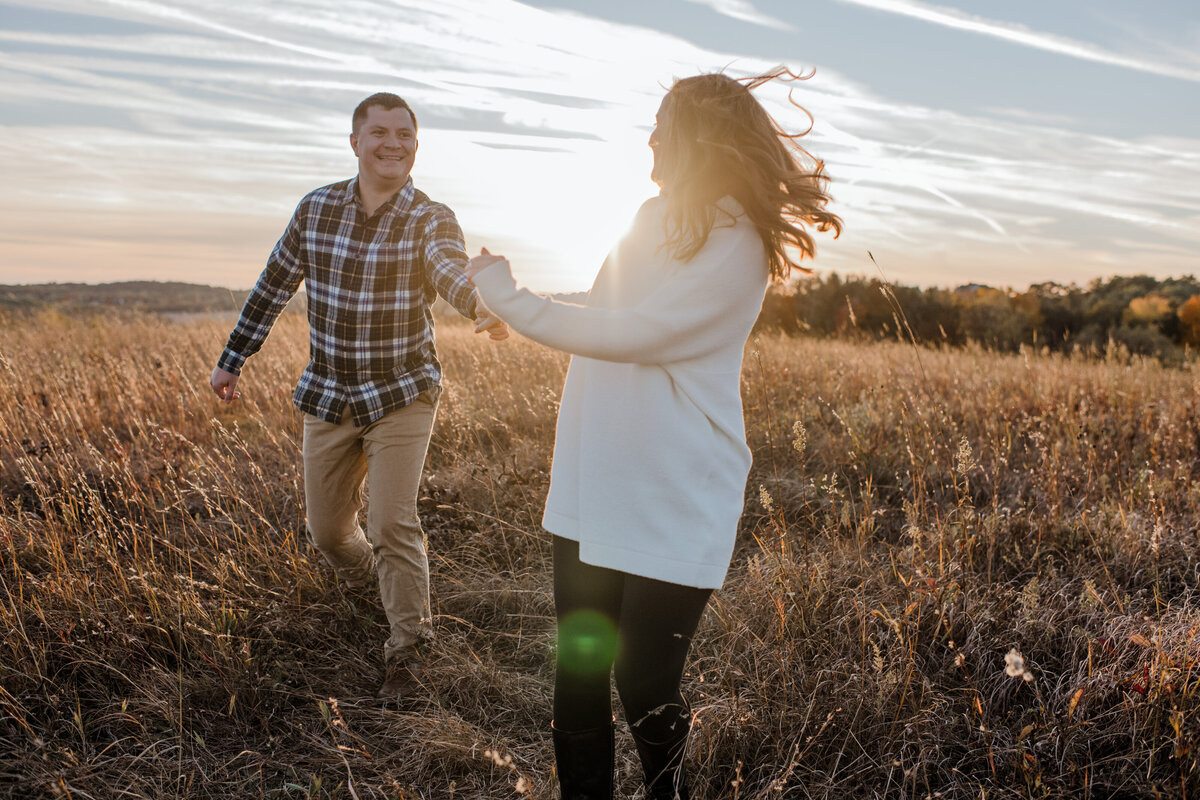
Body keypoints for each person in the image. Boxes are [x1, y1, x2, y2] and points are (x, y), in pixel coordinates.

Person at [465, 69, 842, 799]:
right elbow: (607, 307)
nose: (650, 140)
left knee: (642, 677)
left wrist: (514, 301)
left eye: (662, 128)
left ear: (698, 137)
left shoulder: (740, 243)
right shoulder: (649, 216)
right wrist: (510, 303)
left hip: (675, 484)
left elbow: (641, 333)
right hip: (591, 469)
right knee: (576, 665)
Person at [209, 92, 508, 699]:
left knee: (392, 521)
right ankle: (374, 584)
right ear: (355, 142)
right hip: (329, 393)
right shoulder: (316, 209)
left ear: (415, 147)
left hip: (402, 392)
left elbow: (448, 268)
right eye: (379, 132)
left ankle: (410, 650)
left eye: (404, 134)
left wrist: (483, 305)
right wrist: (233, 359)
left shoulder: (430, 217)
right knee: (328, 533)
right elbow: (274, 284)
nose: (392, 143)